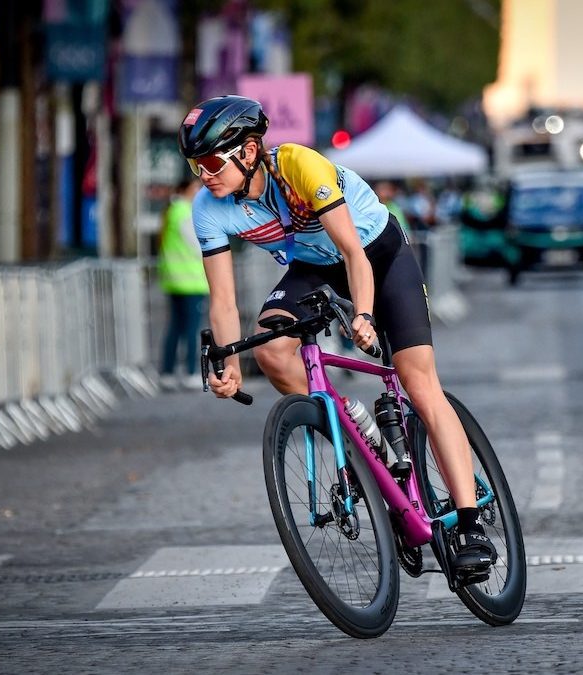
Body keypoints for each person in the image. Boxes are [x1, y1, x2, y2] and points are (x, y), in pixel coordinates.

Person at [179, 95, 496, 573]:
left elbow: (353, 253)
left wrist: (364, 316)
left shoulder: (300, 167)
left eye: (208, 162)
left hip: (376, 255)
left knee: (418, 383)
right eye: (194, 165)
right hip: (313, 267)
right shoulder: (209, 208)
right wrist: (227, 363)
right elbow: (222, 300)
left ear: (247, 151)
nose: (203, 175)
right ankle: (348, 422)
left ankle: (470, 522)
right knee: (270, 349)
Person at [158, 178, 209, 390]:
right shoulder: (186, 212)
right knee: (191, 329)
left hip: (174, 280)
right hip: (191, 281)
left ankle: (167, 373)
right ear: (186, 189)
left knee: (175, 328)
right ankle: (190, 372)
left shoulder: (172, 210)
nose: (199, 191)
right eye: (196, 187)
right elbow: (199, 244)